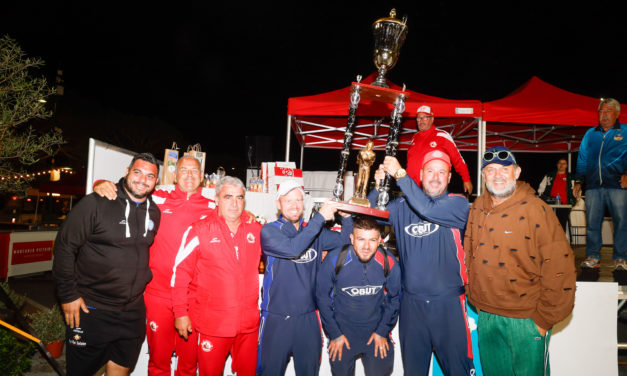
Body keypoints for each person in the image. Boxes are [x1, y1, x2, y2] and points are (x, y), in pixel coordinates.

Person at [94, 155, 215, 376]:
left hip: (192, 299)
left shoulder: (213, 208)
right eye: (184, 170)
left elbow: (237, 214)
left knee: (188, 364)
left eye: (194, 171)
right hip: (157, 296)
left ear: (202, 177)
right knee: (158, 362)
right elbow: (127, 192)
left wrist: (245, 214)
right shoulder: (157, 198)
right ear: (175, 175)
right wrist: (100, 184)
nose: (189, 175)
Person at [465, 145, 576, 376]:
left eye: (505, 169)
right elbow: (468, 253)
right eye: (491, 170)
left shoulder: (537, 210)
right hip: (486, 317)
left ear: (517, 172)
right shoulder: (477, 207)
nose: (497, 175)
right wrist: (473, 294)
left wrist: (543, 320)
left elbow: (560, 266)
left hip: (526, 319)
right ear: (483, 175)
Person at [53, 153, 161, 376]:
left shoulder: (155, 212)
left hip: (132, 312)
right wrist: (68, 295)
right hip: (92, 308)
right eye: (137, 172)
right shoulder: (96, 203)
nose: (143, 179)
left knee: (120, 370)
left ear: (156, 181)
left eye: (150, 175)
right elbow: (65, 246)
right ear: (127, 171)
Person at [369, 150, 475, 375]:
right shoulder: (401, 206)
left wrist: (399, 173)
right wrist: (378, 188)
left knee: (458, 370)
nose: (435, 177)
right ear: (420, 174)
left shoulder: (458, 205)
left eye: (442, 172)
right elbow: (370, 215)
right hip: (412, 307)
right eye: (430, 171)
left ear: (449, 177)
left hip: (448, 305)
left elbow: (428, 209)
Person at [257, 179, 352, 376]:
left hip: (308, 317)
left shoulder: (314, 231)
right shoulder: (270, 231)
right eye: (289, 200)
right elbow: (293, 249)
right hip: (277, 317)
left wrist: (347, 218)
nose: (294, 205)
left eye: (299, 200)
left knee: (310, 372)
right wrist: (319, 219)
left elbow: (345, 241)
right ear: (278, 204)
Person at [171, 176, 261, 376]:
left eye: (239, 197)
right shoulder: (199, 230)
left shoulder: (256, 229)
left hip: (248, 325)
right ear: (217, 199)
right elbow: (180, 273)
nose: (234, 203)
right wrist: (180, 313)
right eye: (228, 197)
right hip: (213, 325)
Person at [316, 215, 401, 376]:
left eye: (372, 240)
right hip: (342, 335)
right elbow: (322, 297)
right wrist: (334, 334)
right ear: (352, 239)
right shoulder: (335, 259)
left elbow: (395, 298)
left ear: (379, 240)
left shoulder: (388, 261)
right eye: (361, 239)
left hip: (376, 335)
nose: (367, 246)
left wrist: (383, 331)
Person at [574, 98, 627, 271]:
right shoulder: (591, 134)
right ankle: (593, 257)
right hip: (593, 187)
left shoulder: (625, 131)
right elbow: (582, 158)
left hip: (618, 186)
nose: (604, 114)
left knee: (621, 222)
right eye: (601, 111)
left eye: (608, 110)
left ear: (617, 113)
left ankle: (620, 258)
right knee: (592, 223)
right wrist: (578, 181)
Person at [406, 105, 473, 195]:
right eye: (418, 118)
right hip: (411, 189)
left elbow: (458, 159)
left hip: (432, 188)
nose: (421, 121)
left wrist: (466, 179)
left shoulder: (442, 136)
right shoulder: (414, 138)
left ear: (432, 119)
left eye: (425, 117)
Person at [537, 156, 577, 231]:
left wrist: (574, 199)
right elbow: (541, 188)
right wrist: (542, 198)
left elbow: (576, 190)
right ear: (557, 164)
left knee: (562, 225)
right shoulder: (549, 175)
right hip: (550, 205)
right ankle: (550, 241)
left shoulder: (571, 177)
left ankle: (561, 242)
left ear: (566, 165)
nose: (561, 165)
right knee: (549, 224)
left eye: (564, 163)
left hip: (564, 205)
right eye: (559, 163)